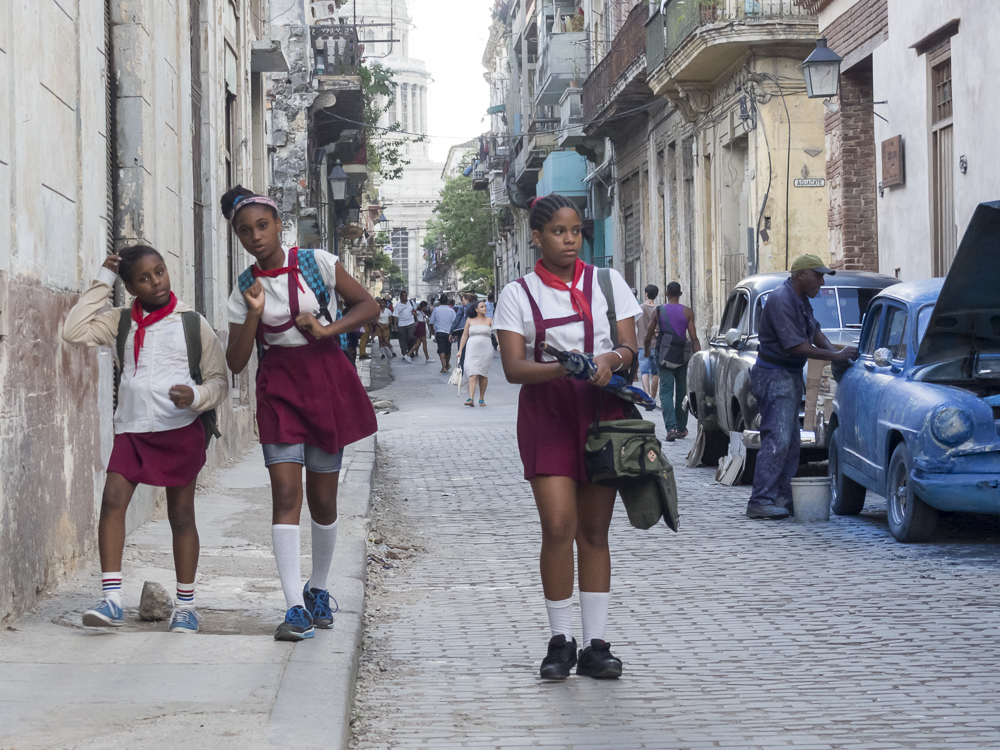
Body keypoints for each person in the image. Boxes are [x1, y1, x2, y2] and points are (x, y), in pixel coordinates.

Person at [221, 185, 379, 640]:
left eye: (262, 226)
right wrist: (252, 313)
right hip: (279, 387)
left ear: (278, 225)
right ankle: (293, 607)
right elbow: (235, 362)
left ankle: (318, 588)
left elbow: (369, 305)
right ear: (238, 237)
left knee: (324, 499)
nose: (255, 236)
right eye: (245, 231)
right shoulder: (244, 288)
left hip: (326, 381)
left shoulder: (317, 263)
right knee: (285, 494)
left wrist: (329, 329)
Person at [495, 194, 641, 682]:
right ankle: (561, 641)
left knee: (595, 532)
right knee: (559, 526)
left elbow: (629, 346)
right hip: (548, 413)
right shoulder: (517, 294)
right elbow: (514, 368)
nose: (570, 239)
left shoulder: (608, 282)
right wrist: (566, 365)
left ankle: (597, 646)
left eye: (576, 230)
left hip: (604, 414)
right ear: (536, 237)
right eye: (558, 231)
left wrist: (608, 361)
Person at [62, 245, 229, 633]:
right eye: (144, 278)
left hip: (180, 430)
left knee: (181, 515)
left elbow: (219, 380)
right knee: (111, 503)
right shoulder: (121, 322)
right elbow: (73, 331)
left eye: (160, 272)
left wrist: (196, 397)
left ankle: (186, 605)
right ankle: (112, 599)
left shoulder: (191, 323)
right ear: (131, 287)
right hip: (133, 431)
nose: (156, 282)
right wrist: (103, 279)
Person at [746, 254, 858, 520]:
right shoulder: (781, 299)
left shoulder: (800, 300)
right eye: (817, 276)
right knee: (778, 439)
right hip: (774, 376)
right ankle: (761, 500)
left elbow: (815, 331)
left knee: (791, 442)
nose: (821, 282)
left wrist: (836, 352)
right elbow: (795, 345)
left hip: (787, 375)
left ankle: (783, 498)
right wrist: (835, 356)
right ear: (800, 275)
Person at [643, 281, 702, 441]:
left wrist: (647, 350)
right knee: (683, 393)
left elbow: (648, 335)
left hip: (664, 356)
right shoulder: (688, 312)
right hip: (683, 357)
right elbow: (694, 338)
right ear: (681, 294)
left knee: (666, 392)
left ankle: (671, 428)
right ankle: (682, 429)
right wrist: (698, 359)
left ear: (667, 294)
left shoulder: (659, 311)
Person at [457, 300, 495, 406]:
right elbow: (464, 335)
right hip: (472, 349)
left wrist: (499, 344)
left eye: (485, 306)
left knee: (483, 373)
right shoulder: (470, 320)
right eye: (482, 307)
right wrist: (460, 350)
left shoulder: (490, 320)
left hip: (486, 349)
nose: (485, 308)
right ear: (476, 309)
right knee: (472, 372)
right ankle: (471, 398)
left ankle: (481, 398)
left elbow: (496, 333)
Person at [635, 284, 660, 402]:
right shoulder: (659, 309)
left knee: (644, 372)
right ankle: (653, 397)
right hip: (655, 345)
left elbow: (634, 324)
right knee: (655, 373)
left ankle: (647, 396)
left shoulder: (639, 308)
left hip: (641, 344)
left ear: (646, 294)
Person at [428, 294, 457, 373]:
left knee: (441, 349)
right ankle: (447, 364)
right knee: (448, 349)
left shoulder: (436, 310)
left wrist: (433, 331)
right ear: (447, 301)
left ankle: (443, 366)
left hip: (439, 332)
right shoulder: (451, 311)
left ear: (440, 301)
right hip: (449, 332)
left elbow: (431, 321)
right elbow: (455, 323)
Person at [392, 290, 418, 363]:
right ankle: (404, 353)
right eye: (403, 295)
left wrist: (416, 318)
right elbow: (395, 316)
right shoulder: (398, 305)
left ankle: (410, 351)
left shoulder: (411, 303)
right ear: (401, 297)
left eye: (406, 295)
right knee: (402, 340)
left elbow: (415, 311)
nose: (405, 297)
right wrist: (395, 325)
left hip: (411, 323)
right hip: (402, 324)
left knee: (412, 337)